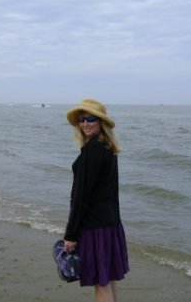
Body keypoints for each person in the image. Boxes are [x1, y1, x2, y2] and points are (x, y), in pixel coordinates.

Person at [63, 99, 129, 302]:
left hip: (94, 227)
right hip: (110, 224)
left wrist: (71, 234)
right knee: (108, 279)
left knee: (101, 283)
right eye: (81, 120)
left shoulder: (93, 150)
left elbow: (82, 197)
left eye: (91, 118)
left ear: (101, 121)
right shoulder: (107, 147)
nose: (85, 124)